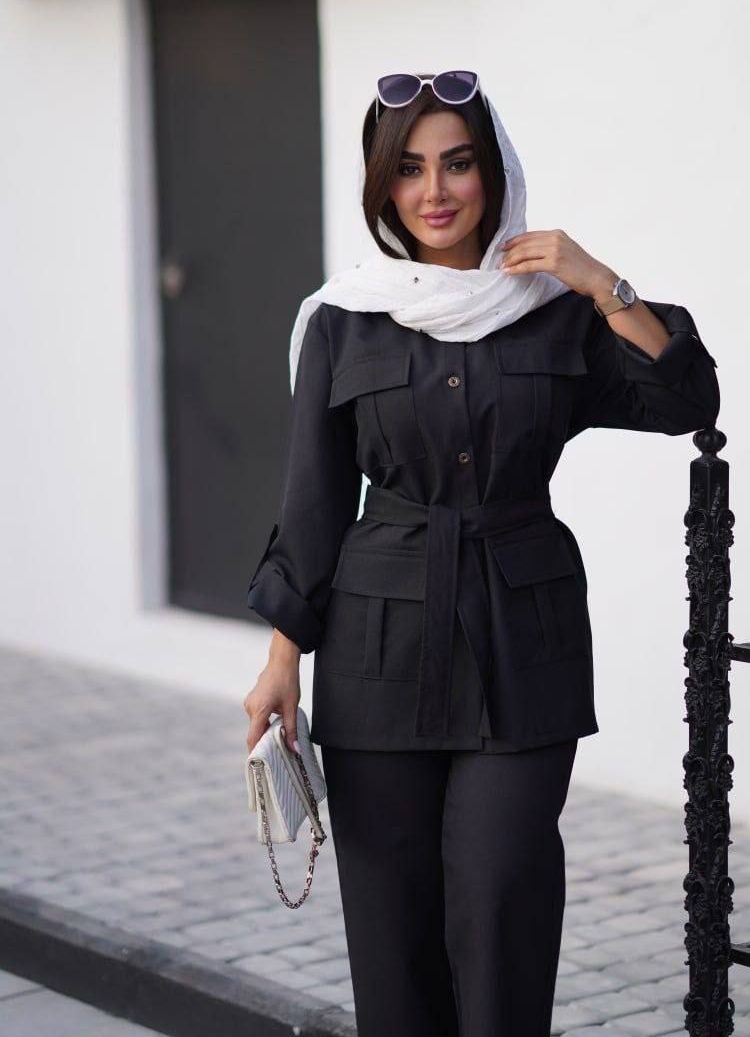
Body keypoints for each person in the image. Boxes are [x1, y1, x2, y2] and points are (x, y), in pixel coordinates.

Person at [243, 71, 720, 1037]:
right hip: (377, 648)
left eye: (457, 163)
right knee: (392, 928)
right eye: (409, 169)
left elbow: (684, 401)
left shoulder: (555, 307)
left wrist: (601, 281)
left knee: (504, 895)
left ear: (492, 173)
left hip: (522, 639)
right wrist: (282, 659)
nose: (435, 191)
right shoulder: (342, 317)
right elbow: (314, 499)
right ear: (382, 187)